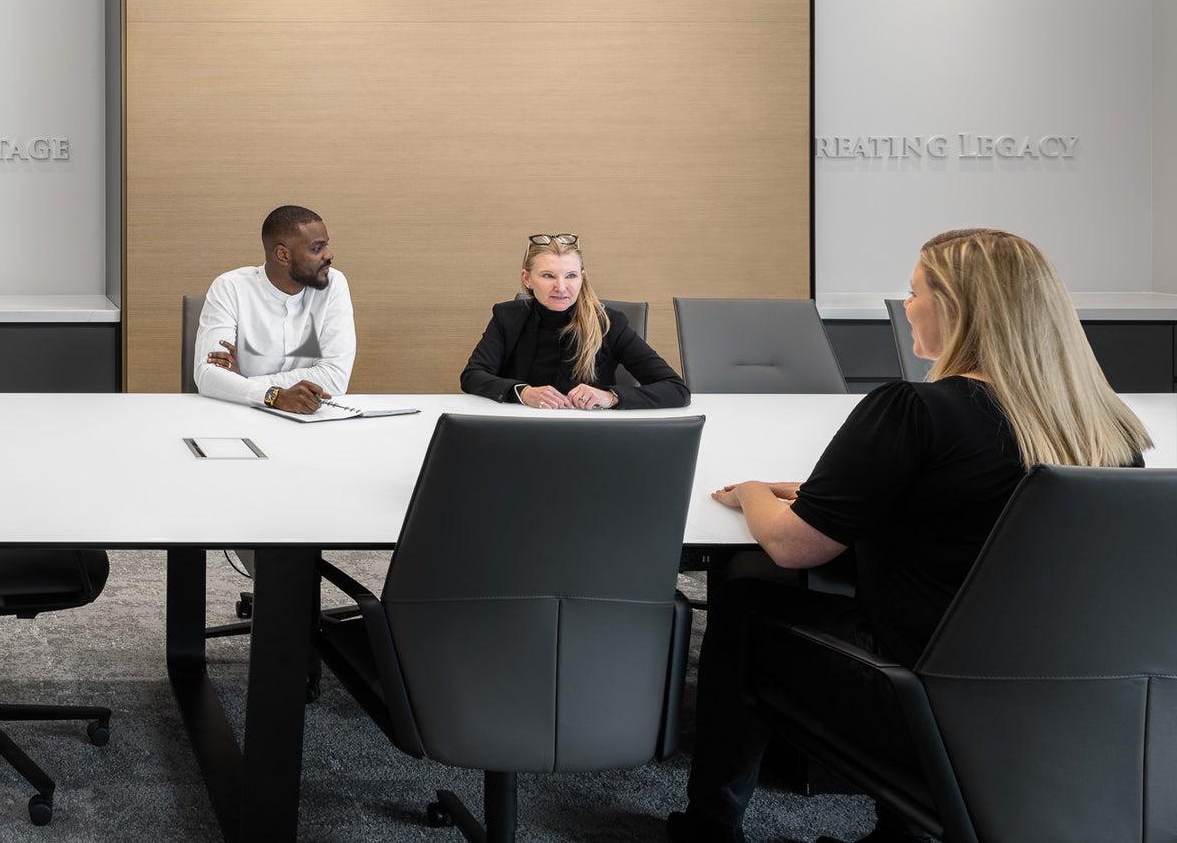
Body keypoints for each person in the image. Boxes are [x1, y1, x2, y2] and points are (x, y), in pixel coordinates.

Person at [667, 228, 1153, 843]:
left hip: (918, 695)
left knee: (745, 592)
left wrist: (753, 491)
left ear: (955, 307)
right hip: (1062, 701)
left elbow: (794, 545)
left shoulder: (914, 410)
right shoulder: (1109, 432)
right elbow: (974, 515)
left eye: (914, 291)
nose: (908, 305)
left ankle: (709, 829)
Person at [460, 233, 689, 410]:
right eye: (548, 275)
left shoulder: (609, 323)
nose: (561, 287)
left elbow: (676, 389)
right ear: (527, 278)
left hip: (591, 434)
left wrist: (610, 397)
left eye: (570, 275)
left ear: (582, 277)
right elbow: (472, 376)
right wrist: (522, 392)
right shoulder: (506, 316)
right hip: (521, 430)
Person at [193, 204, 354, 415]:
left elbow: (335, 378)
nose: (328, 255)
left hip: (311, 422)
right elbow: (207, 376)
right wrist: (275, 397)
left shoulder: (334, 284)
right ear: (283, 255)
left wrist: (243, 384)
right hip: (239, 417)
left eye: (326, 245)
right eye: (316, 249)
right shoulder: (230, 287)